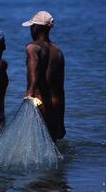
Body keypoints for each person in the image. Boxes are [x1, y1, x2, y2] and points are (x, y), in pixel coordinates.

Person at [22, 11, 66, 141]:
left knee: (34, 145)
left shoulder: (32, 47)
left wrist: (29, 94)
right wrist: (61, 122)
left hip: (39, 105)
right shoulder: (58, 52)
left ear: (35, 28)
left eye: (31, 26)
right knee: (52, 145)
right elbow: (60, 89)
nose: (31, 29)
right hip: (56, 107)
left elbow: (33, 71)